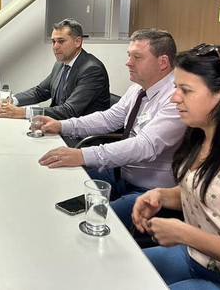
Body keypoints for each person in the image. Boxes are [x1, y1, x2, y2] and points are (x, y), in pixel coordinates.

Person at [132, 44, 220, 289]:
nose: (174, 98)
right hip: (196, 257)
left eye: (186, 90)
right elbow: (211, 192)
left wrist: (186, 234)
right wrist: (161, 196)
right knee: (122, 269)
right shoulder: (200, 135)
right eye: (175, 88)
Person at [37, 28, 186, 228]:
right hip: (120, 175)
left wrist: (82, 155)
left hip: (149, 192)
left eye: (137, 57)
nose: (128, 62)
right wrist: (62, 126)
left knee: (92, 221)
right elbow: (108, 119)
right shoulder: (138, 88)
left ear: (163, 62)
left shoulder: (176, 98)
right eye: (129, 55)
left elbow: (144, 146)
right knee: (61, 183)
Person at [0, 18, 110, 120]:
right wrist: (11, 100)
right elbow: (39, 92)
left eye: (61, 41)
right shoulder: (60, 64)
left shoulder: (92, 70)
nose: (55, 47)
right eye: (53, 41)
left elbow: (69, 111)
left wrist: (23, 112)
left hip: (79, 135)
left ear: (77, 41)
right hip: (58, 126)